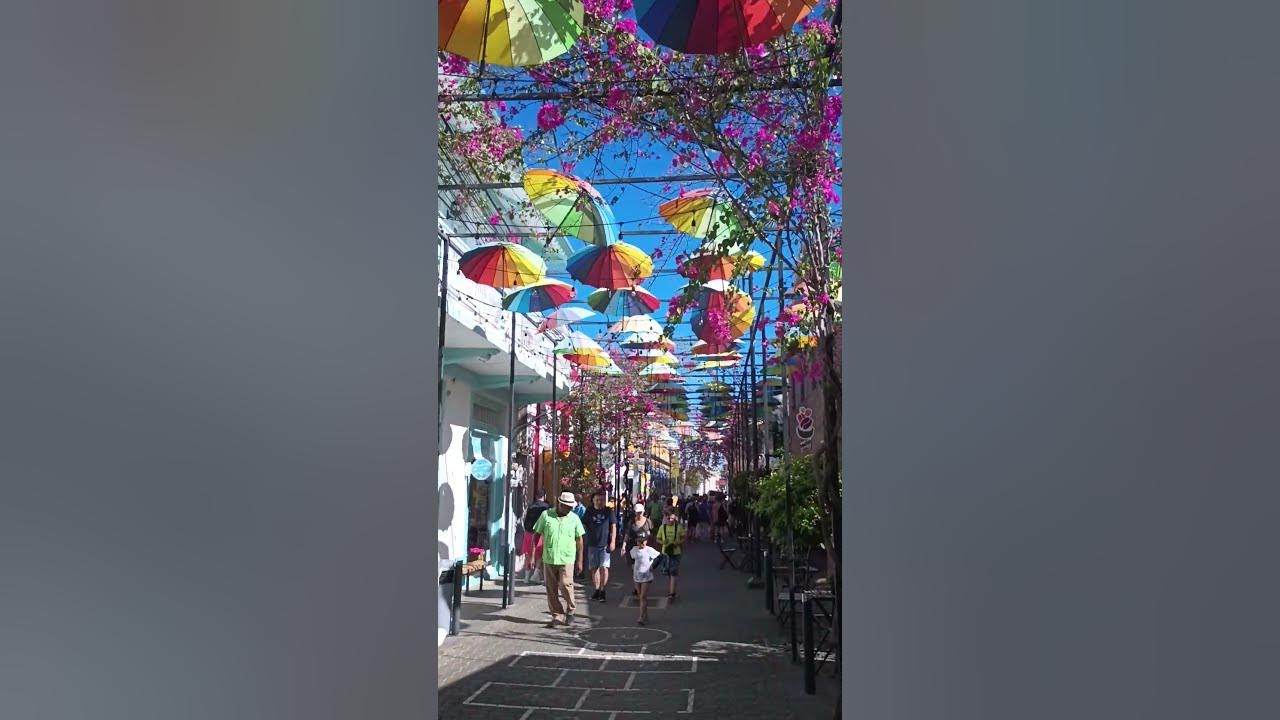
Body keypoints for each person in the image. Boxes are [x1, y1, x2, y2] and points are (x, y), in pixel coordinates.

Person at [532, 491, 585, 628]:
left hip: (567, 557)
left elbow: (579, 539)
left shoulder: (574, 518)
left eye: (571, 507)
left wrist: (580, 560)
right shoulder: (546, 515)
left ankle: (571, 609)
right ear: (560, 504)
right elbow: (536, 534)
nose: (569, 509)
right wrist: (534, 555)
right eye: (567, 506)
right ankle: (557, 615)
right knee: (551, 588)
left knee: (566, 584)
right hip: (549, 557)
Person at [581, 491, 618, 602]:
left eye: (601, 500)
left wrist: (613, 541)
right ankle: (597, 590)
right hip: (592, 544)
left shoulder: (608, 511)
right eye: (597, 500)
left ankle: (602, 590)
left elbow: (613, 526)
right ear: (593, 501)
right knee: (594, 568)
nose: (599, 502)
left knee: (604, 567)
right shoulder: (589, 511)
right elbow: (583, 524)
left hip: (605, 544)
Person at [629, 532, 661, 625]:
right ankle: (645, 616)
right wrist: (632, 564)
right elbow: (631, 558)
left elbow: (660, 557)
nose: (641, 543)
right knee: (641, 597)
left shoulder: (649, 550)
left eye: (643, 541)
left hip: (647, 576)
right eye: (639, 541)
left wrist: (653, 566)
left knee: (643, 596)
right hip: (637, 576)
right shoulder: (634, 549)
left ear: (646, 541)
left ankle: (641, 617)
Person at [655, 508, 687, 601]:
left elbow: (684, 537)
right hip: (665, 553)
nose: (670, 520)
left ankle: (671, 593)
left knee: (673, 572)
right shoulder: (662, 527)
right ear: (665, 518)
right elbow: (657, 539)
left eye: (672, 518)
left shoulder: (678, 527)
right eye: (668, 518)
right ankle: (672, 591)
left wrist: (678, 542)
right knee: (668, 574)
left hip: (676, 553)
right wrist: (662, 542)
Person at [622, 504, 654, 595]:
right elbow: (627, 534)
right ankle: (638, 589)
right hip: (633, 548)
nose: (639, 514)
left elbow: (652, 535)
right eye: (637, 512)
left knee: (644, 568)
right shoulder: (632, 522)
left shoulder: (648, 522)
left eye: (640, 512)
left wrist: (652, 548)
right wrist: (624, 545)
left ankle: (642, 587)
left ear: (643, 512)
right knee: (635, 568)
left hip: (645, 549)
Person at [521, 488, 550, 584]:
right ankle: (536, 574)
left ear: (536, 496)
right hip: (540, 534)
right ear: (544, 496)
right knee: (540, 555)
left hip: (529, 533)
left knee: (528, 555)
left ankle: (526, 577)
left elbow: (526, 520)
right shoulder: (547, 507)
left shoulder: (530, 506)